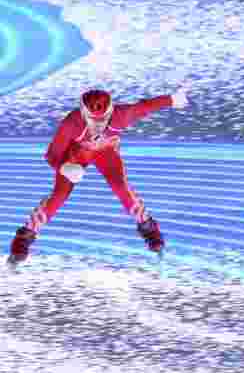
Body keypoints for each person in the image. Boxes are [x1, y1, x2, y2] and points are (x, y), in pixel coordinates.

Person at [7, 87, 189, 265]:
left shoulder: (120, 115)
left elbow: (146, 106)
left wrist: (172, 99)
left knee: (121, 188)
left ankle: (150, 229)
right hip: (77, 155)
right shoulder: (72, 123)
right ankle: (25, 236)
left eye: (103, 120)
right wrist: (65, 167)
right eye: (94, 121)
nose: (98, 126)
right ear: (83, 113)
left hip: (103, 153)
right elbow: (52, 155)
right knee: (59, 196)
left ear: (111, 111)